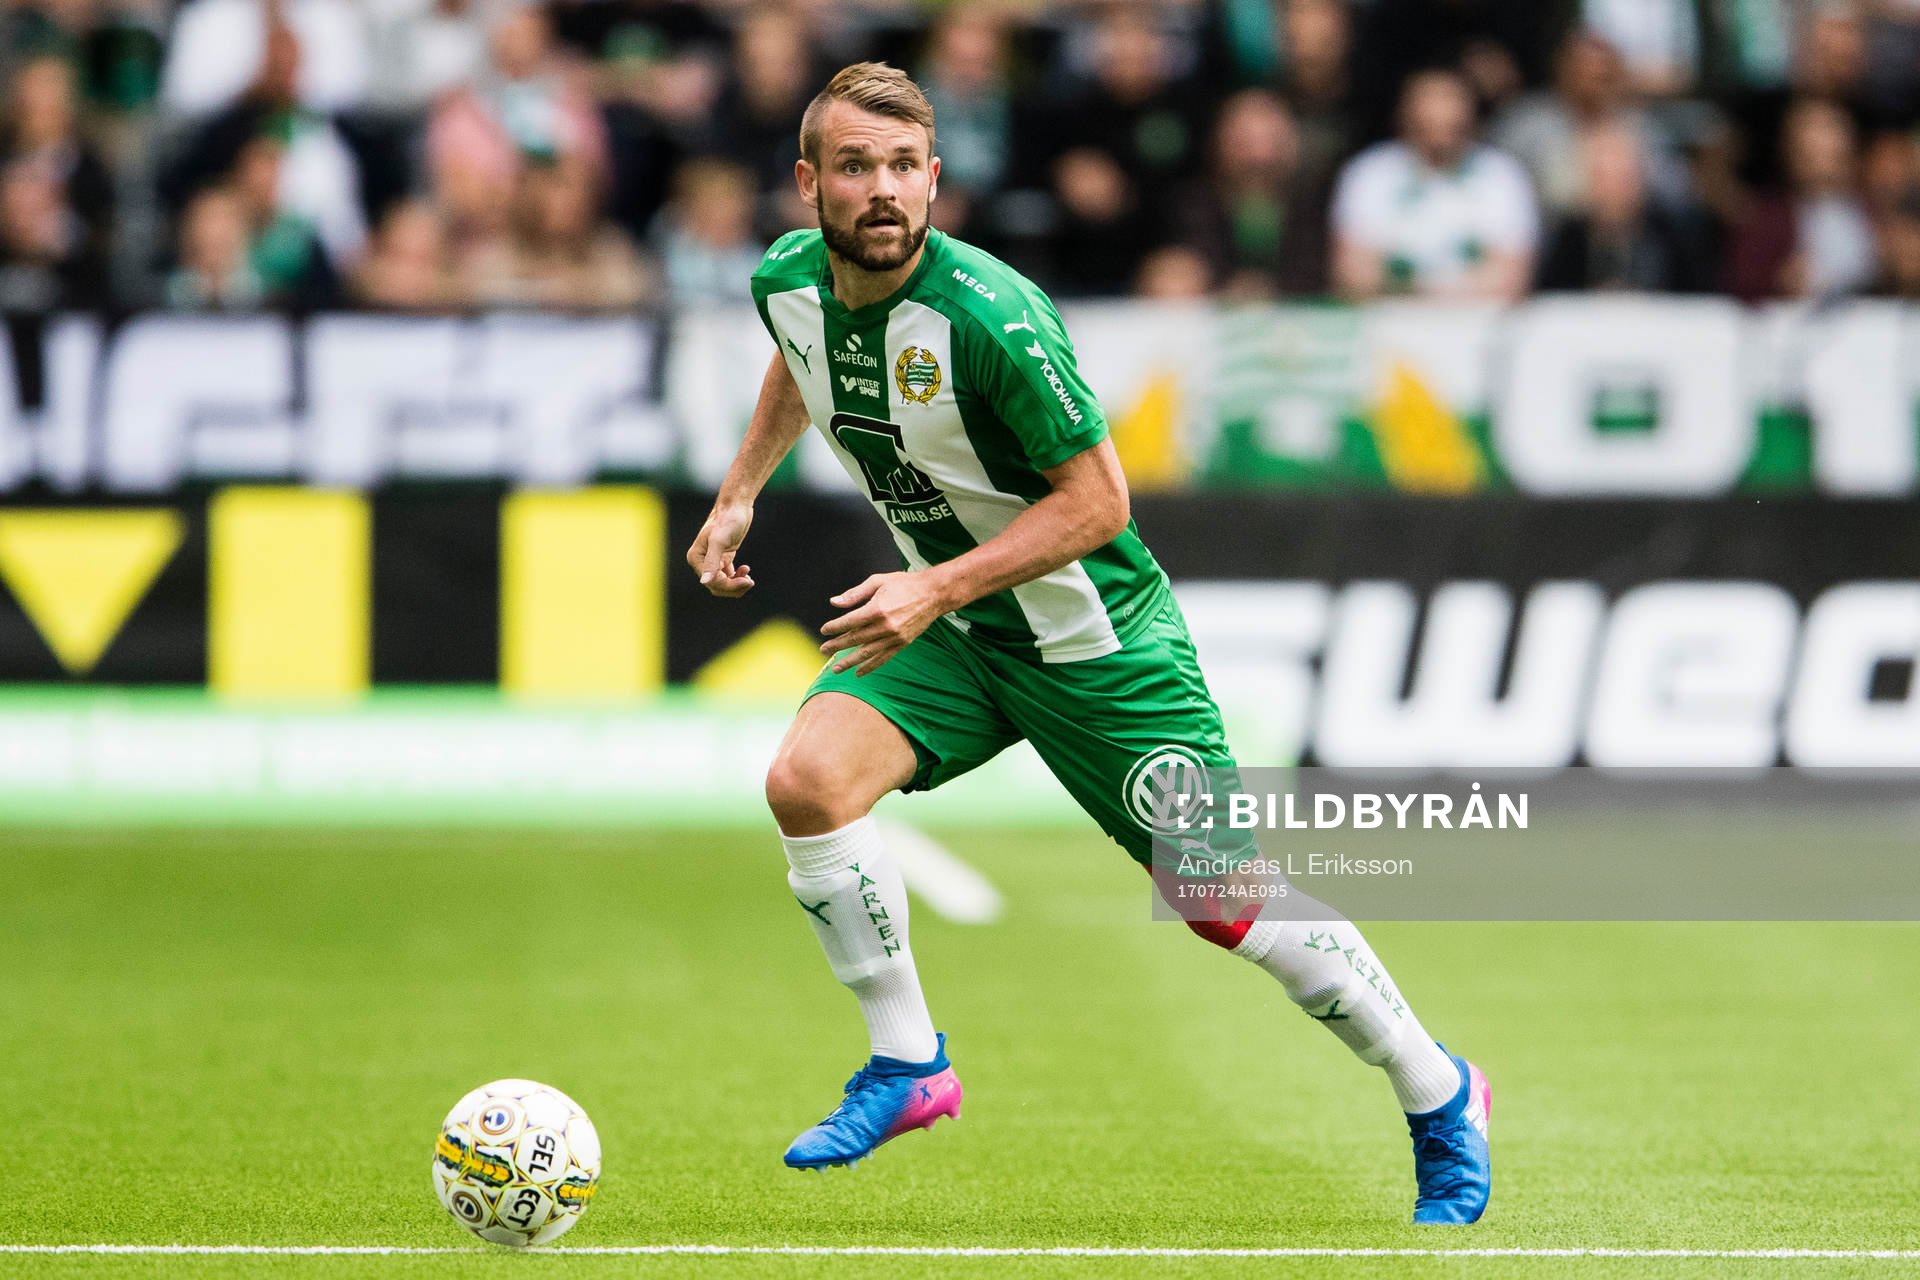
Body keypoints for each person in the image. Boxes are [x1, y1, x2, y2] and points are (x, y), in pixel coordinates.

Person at [685, 61, 1492, 1225]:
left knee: (1223, 897)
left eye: (904, 166)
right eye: (856, 167)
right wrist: (740, 493)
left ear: (935, 178)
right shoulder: (789, 281)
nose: (883, 190)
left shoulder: (993, 319)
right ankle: (908, 1063)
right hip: (960, 628)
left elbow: (1101, 503)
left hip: (1093, 640)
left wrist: (934, 585)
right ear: (809, 184)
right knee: (807, 781)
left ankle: (1440, 1090)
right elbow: (800, 362)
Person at [1331, 69, 1538, 302]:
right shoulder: (1369, 173)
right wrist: (1433, 292)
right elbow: (1353, 277)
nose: (1439, 120)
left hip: (1479, 318)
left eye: (1450, 104)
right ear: (1404, 115)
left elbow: (1511, 280)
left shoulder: (1502, 175)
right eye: (1427, 118)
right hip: (1388, 317)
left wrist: (1416, 290)